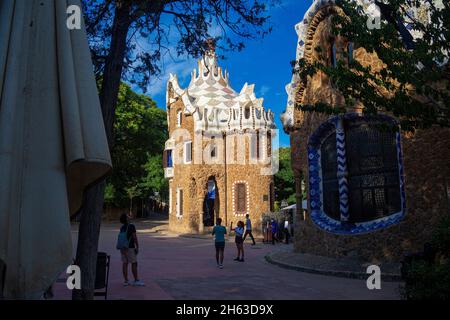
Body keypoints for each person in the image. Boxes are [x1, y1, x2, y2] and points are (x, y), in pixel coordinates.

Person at [118, 214, 145, 287]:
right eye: (128, 216)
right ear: (126, 219)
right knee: (134, 263)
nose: (129, 216)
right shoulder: (131, 226)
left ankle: (126, 281)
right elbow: (134, 237)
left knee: (125, 263)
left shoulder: (122, 227)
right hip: (130, 247)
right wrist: (137, 246)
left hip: (123, 247)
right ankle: (136, 280)